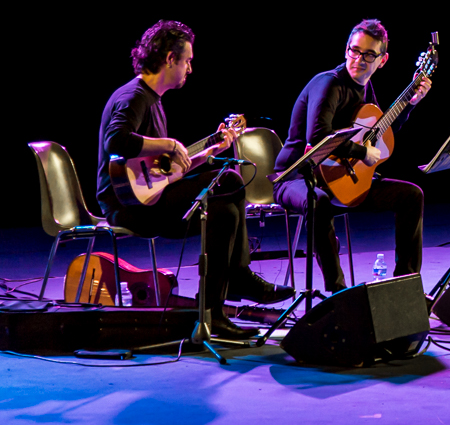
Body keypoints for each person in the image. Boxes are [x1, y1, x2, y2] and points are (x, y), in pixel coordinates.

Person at [97, 20, 293, 339]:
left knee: (225, 205)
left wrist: (207, 152)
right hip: (128, 206)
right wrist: (169, 144)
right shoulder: (134, 96)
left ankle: (213, 311)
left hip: (151, 199)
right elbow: (115, 141)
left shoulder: (153, 101)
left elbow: (161, 173)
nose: (190, 68)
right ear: (170, 58)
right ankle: (233, 284)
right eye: (187, 60)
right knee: (228, 181)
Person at [272, 18, 431, 293]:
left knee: (411, 195)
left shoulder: (366, 89)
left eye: (369, 54)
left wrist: (410, 104)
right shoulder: (329, 84)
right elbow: (318, 136)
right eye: (354, 50)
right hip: (294, 178)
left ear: (382, 60)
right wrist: (360, 151)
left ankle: (404, 285)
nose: (359, 58)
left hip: (340, 177)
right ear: (346, 49)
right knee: (317, 201)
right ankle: (338, 292)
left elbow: (380, 132)